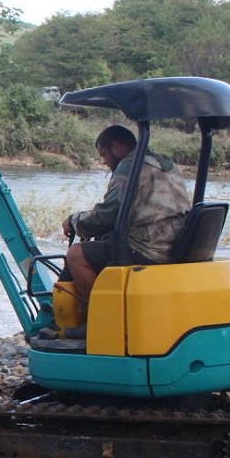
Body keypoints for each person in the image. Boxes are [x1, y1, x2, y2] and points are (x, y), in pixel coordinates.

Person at [61, 125, 191, 328]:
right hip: (174, 245)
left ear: (117, 147)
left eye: (104, 154)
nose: (104, 161)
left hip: (149, 249)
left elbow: (109, 214)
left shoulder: (130, 166)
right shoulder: (166, 164)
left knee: (76, 255)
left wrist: (75, 221)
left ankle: (102, 324)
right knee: (104, 243)